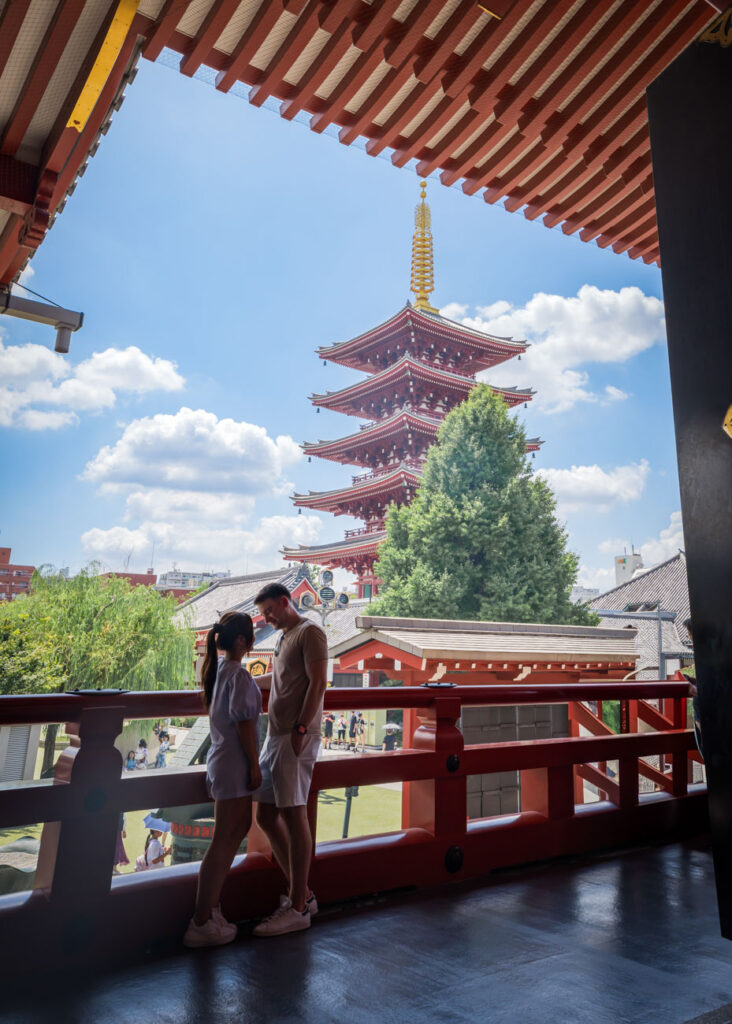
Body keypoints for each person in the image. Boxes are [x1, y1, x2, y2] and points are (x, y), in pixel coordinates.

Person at [251, 582, 328, 937]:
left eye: (269, 611)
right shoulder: (283, 638)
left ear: (285, 602)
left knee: (295, 815)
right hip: (274, 736)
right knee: (267, 813)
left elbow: (318, 684)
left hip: (294, 737)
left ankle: (298, 907)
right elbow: (280, 680)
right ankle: (304, 894)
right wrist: (236, 677)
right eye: (263, 613)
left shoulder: (311, 632)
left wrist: (300, 730)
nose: (265, 618)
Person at [183, 611, 262, 949]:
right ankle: (201, 919)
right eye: (253, 634)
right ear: (243, 641)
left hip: (223, 763)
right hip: (235, 765)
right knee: (223, 841)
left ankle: (210, 911)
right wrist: (255, 765)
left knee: (233, 833)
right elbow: (245, 725)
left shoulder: (220, 673)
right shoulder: (239, 677)